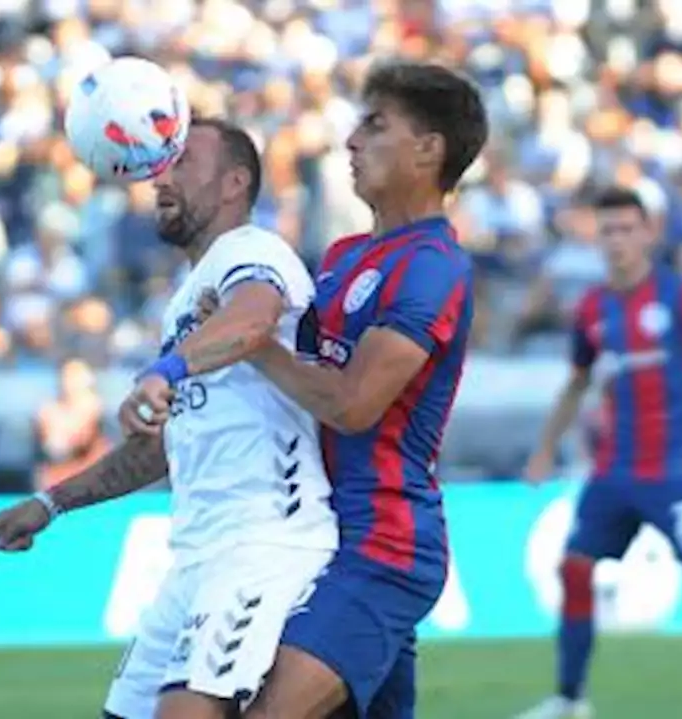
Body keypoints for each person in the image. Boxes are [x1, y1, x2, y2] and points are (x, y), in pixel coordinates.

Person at [0, 117, 338, 719]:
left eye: (182, 162)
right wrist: (50, 504)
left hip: (263, 543)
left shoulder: (251, 251)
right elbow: (159, 447)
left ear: (233, 183)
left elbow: (253, 320)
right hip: (196, 556)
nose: (159, 176)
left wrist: (165, 372)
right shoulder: (187, 297)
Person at [198, 61, 486, 719]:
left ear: (428, 148)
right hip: (321, 536)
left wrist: (252, 343)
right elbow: (293, 380)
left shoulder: (434, 266)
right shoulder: (343, 256)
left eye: (375, 125)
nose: (351, 141)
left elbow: (353, 404)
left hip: (383, 543)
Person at [515, 187, 682, 719]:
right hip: (615, 470)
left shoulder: (678, 296)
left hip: (680, 469)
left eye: (626, 229)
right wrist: (545, 449)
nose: (617, 240)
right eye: (607, 230)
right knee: (574, 567)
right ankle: (570, 700)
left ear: (648, 233)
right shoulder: (594, 308)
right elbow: (576, 384)